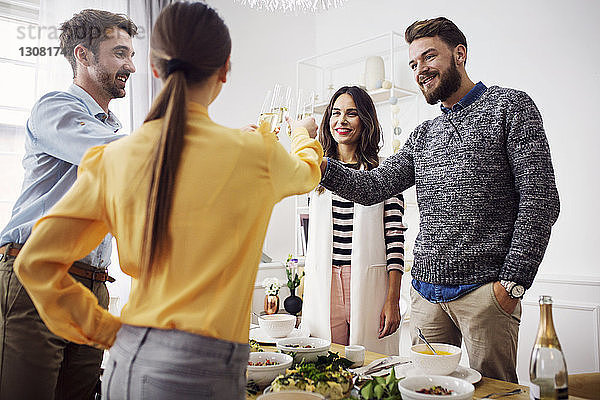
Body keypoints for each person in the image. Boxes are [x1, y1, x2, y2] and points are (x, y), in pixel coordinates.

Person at [14, 2, 323, 399]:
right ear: (225, 69)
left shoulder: (115, 158)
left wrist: (109, 331)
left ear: (156, 68)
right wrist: (301, 132)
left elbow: (36, 263)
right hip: (201, 371)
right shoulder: (257, 154)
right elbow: (308, 172)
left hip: (125, 364)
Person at [318, 17, 559, 382]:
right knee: (424, 391)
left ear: (459, 54)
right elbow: (371, 188)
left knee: (492, 393)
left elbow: (540, 199)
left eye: (428, 57)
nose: (419, 70)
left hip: (487, 296)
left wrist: (511, 284)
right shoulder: (423, 134)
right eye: (413, 64)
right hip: (426, 299)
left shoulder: (510, 106)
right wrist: (315, 164)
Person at [0, 9, 137, 399]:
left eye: (130, 56)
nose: (130, 66)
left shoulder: (113, 130)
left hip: (94, 286)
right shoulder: (55, 107)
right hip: (34, 276)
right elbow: (116, 156)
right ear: (84, 55)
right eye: (120, 53)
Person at [301, 86, 406, 355]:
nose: (341, 121)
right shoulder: (315, 172)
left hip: (369, 284)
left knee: (371, 363)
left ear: (366, 120)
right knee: (326, 360)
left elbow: (395, 240)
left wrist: (392, 300)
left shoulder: (386, 171)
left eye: (352, 113)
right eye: (335, 113)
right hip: (325, 281)